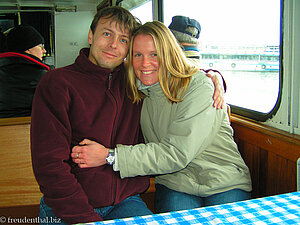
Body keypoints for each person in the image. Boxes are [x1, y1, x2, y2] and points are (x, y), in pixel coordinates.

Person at [31, 6, 223, 224]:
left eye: (123, 40)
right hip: (69, 205)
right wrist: (84, 218)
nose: (114, 44)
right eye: (106, 34)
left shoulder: (135, 81)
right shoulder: (57, 84)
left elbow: (177, 74)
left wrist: (212, 77)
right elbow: (49, 166)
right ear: (91, 36)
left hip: (125, 200)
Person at [71, 21, 252, 214]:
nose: (145, 63)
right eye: (137, 55)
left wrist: (110, 156)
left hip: (222, 179)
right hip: (176, 181)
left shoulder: (199, 87)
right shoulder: (136, 92)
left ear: (169, 54)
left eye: (154, 54)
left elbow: (176, 152)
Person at [0, 25, 50, 118]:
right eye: (40, 46)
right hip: (34, 128)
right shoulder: (46, 77)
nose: (44, 51)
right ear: (28, 49)